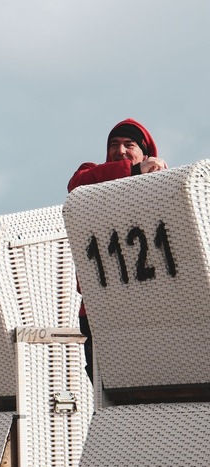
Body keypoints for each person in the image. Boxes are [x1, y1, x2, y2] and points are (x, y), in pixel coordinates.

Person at [67, 118, 167, 383]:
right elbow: (77, 184)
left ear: (146, 153)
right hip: (99, 306)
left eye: (129, 145)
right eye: (114, 145)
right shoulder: (91, 175)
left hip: (150, 305)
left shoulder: (164, 187)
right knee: (106, 382)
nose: (120, 151)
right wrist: (133, 171)